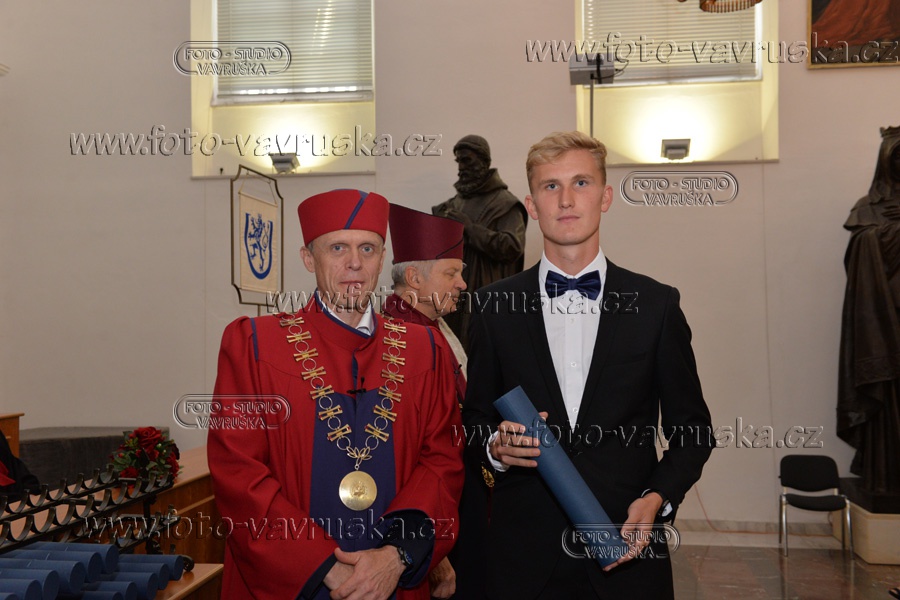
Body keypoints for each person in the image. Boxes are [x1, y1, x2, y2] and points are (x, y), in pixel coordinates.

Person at [463, 131, 714, 599]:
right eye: (550, 186)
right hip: (523, 560)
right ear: (531, 205)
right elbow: (472, 419)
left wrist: (655, 499)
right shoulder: (493, 307)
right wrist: (495, 448)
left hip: (627, 549)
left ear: (606, 197)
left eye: (581, 183)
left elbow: (693, 431)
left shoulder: (655, 305)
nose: (566, 199)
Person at [208, 189, 464, 600]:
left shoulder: (424, 350)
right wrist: (323, 566)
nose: (355, 263)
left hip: (392, 582)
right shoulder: (254, 345)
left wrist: (395, 556)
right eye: (338, 247)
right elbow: (238, 473)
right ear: (309, 258)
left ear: (383, 259)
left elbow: (443, 462)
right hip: (293, 582)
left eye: (368, 248)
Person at [383, 204, 489, 599]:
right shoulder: (394, 338)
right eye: (451, 273)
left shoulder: (436, 325)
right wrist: (430, 544)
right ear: (414, 278)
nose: (462, 283)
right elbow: (402, 453)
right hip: (428, 520)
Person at [838, 125, 900, 494]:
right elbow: (858, 255)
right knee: (884, 394)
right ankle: (885, 475)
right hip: (878, 318)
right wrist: (886, 234)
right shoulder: (868, 208)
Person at [432, 135, 528, 351]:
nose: (461, 167)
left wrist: (469, 227)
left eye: (467, 160)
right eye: (458, 161)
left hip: (487, 295)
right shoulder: (452, 205)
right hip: (452, 296)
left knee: (483, 355)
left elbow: (512, 246)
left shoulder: (505, 203)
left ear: (484, 162)